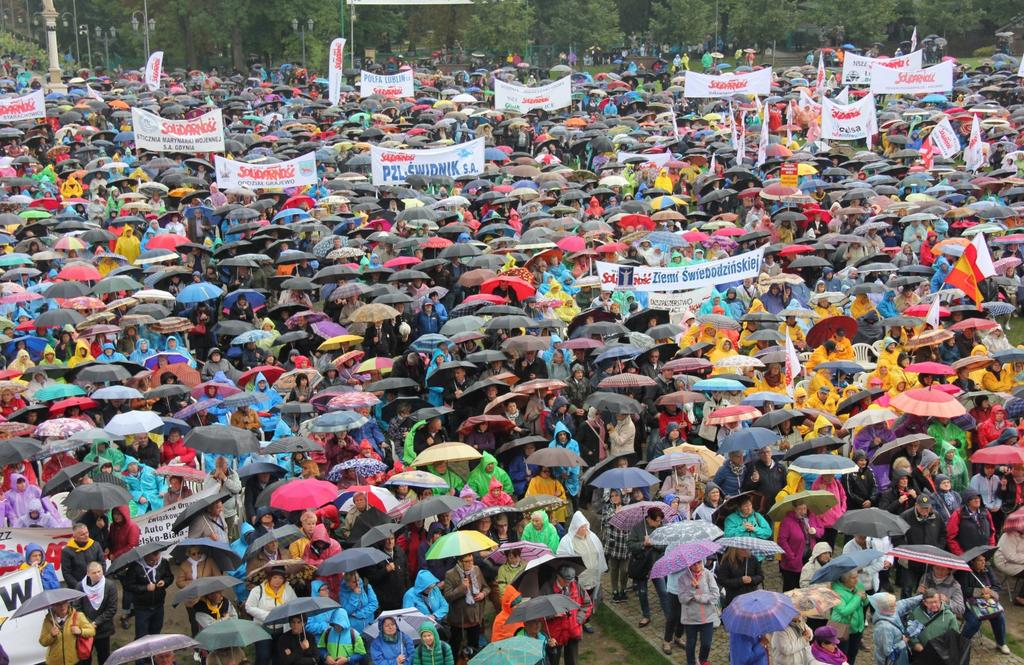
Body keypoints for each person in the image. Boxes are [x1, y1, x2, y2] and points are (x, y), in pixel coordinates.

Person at [541, 564, 593, 665]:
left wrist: (578, 619)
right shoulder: (546, 589)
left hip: (573, 630)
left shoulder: (576, 586)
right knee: (553, 661)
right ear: (558, 576)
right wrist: (553, 614)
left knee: (572, 661)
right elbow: (539, 611)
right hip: (555, 634)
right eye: (566, 580)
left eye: (571, 580)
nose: (569, 583)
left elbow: (587, 604)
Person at [245, 568, 298, 665]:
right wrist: (268, 615)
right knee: (263, 656)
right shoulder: (258, 590)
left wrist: (284, 614)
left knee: (279, 657)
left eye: (281, 578)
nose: (278, 580)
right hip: (263, 629)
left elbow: (294, 605)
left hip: (282, 630)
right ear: (269, 578)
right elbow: (249, 607)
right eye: (275, 577)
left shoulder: (288, 590)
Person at [961, 553, 1010, 654]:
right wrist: (980, 592)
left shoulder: (987, 569)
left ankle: (1001, 643)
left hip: (986, 602)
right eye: (980, 560)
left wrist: (990, 592)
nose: (983, 562)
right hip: (968, 604)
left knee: (999, 615)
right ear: (972, 562)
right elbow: (963, 590)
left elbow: (997, 586)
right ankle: (961, 643)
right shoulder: (965, 572)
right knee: (975, 620)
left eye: (984, 560)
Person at [443, 553, 487, 659]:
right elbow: (448, 596)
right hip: (459, 619)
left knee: (474, 648)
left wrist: (483, 594)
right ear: (459, 562)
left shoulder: (476, 569)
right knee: (455, 648)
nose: (470, 563)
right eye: (467, 561)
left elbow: (486, 587)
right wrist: (462, 588)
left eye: (471, 560)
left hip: (475, 617)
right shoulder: (450, 574)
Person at [124, 548, 174, 640]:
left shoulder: (163, 562)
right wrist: (145, 588)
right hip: (142, 608)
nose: (154, 563)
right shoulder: (135, 566)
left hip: (159, 605)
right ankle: (143, 654)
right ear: (145, 556)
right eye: (151, 560)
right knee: (141, 636)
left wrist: (164, 582)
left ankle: (153, 654)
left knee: (156, 633)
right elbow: (128, 586)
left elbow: (170, 577)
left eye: (157, 560)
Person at [627, 506, 666, 627]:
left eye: (660, 521)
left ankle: (669, 617)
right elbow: (630, 545)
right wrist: (643, 544)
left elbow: (665, 545)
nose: (659, 523)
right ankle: (646, 615)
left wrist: (653, 543)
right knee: (642, 592)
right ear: (649, 519)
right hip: (642, 565)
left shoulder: (661, 528)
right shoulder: (638, 528)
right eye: (657, 521)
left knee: (663, 592)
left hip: (657, 565)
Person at [677, 558, 718, 665]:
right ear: (689, 565)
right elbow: (682, 599)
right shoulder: (682, 578)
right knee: (690, 644)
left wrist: (698, 598)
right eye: (693, 563)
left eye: (699, 562)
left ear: (702, 562)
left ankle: (703, 660)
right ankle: (691, 662)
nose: (696, 565)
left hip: (707, 617)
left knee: (706, 644)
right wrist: (691, 588)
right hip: (690, 618)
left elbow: (715, 596)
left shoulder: (708, 575)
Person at [77, 561, 118, 665]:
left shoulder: (109, 585)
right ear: (88, 574)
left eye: (99, 571)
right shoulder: (80, 586)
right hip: (85, 630)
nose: (98, 574)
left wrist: (96, 622)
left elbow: (112, 608)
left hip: (103, 629)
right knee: (85, 658)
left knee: (104, 657)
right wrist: (87, 624)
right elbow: (77, 607)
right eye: (94, 573)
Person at [868, 592, 920, 665]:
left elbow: (905, 603)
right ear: (886, 607)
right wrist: (903, 642)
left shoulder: (888, 610)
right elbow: (887, 652)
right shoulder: (884, 628)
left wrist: (922, 597)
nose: (896, 605)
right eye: (893, 605)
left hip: (900, 656)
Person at [38, 599, 95, 665]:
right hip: (54, 662)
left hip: (73, 661)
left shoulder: (78, 616)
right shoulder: (48, 621)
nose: (62, 606)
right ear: (53, 606)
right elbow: (42, 642)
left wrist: (80, 631)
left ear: (68, 603)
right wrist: (51, 635)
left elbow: (92, 631)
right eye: (58, 604)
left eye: (64, 603)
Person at [829, 570, 868, 665]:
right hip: (842, 629)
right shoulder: (836, 591)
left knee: (853, 654)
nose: (856, 580)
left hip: (857, 629)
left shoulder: (857, 586)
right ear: (845, 579)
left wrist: (865, 598)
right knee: (842, 657)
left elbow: (865, 604)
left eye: (857, 577)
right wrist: (857, 597)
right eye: (853, 578)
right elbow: (844, 611)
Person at [906, 589, 960, 656]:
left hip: (939, 654)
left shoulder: (949, 617)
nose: (934, 605)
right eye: (930, 602)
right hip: (920, 653)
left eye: (936, 601)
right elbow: (909, 631)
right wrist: (915, 644)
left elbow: (954, 637)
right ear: (924, 602)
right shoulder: (916, 613)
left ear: (940, 600)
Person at [60, 523, 105, 594]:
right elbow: (66, 573)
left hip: (96, 586)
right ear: (74, 536)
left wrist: (98, 581)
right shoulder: (67, 551)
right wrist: (79, 587)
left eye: (87, 532)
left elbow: (102, 564)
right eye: (82, 534)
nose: (86, 535)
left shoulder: (96, 545)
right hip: (77, 588)